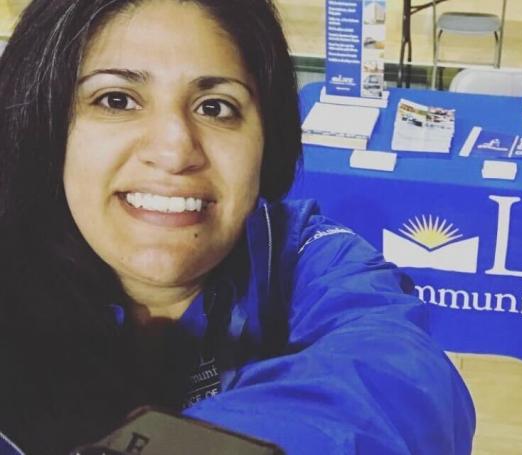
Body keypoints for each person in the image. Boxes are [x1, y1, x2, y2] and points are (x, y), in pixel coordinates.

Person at [0, 1, 475, 454]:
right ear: (46, 122)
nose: (174, 150)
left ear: (268, 137)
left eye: (215, 107)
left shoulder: (307, 257)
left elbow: (402, 376)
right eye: (117, 100)